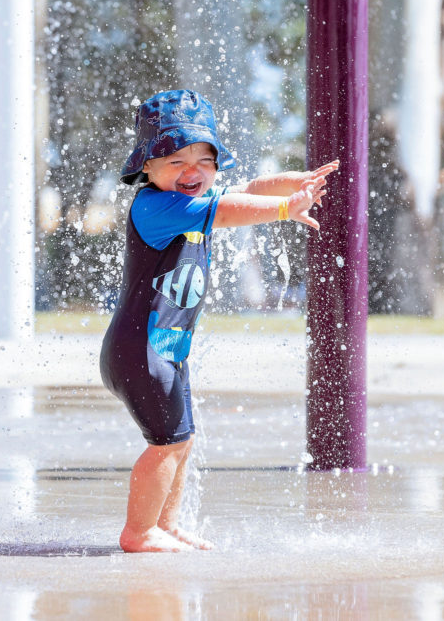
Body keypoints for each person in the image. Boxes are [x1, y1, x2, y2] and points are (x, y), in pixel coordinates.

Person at [100, 89, 338, 553]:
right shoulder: (156, 206)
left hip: (167, 349)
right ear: (146, 167)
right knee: (165, 444)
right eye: (175, 160)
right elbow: (231, 210)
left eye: (204, 161)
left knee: (181, 441)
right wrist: (288, 209)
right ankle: (139, 532)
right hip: (141, 351)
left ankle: (164, 526)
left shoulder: (194, 197)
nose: (192, 172)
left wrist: (295, 183)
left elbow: (246, 191)